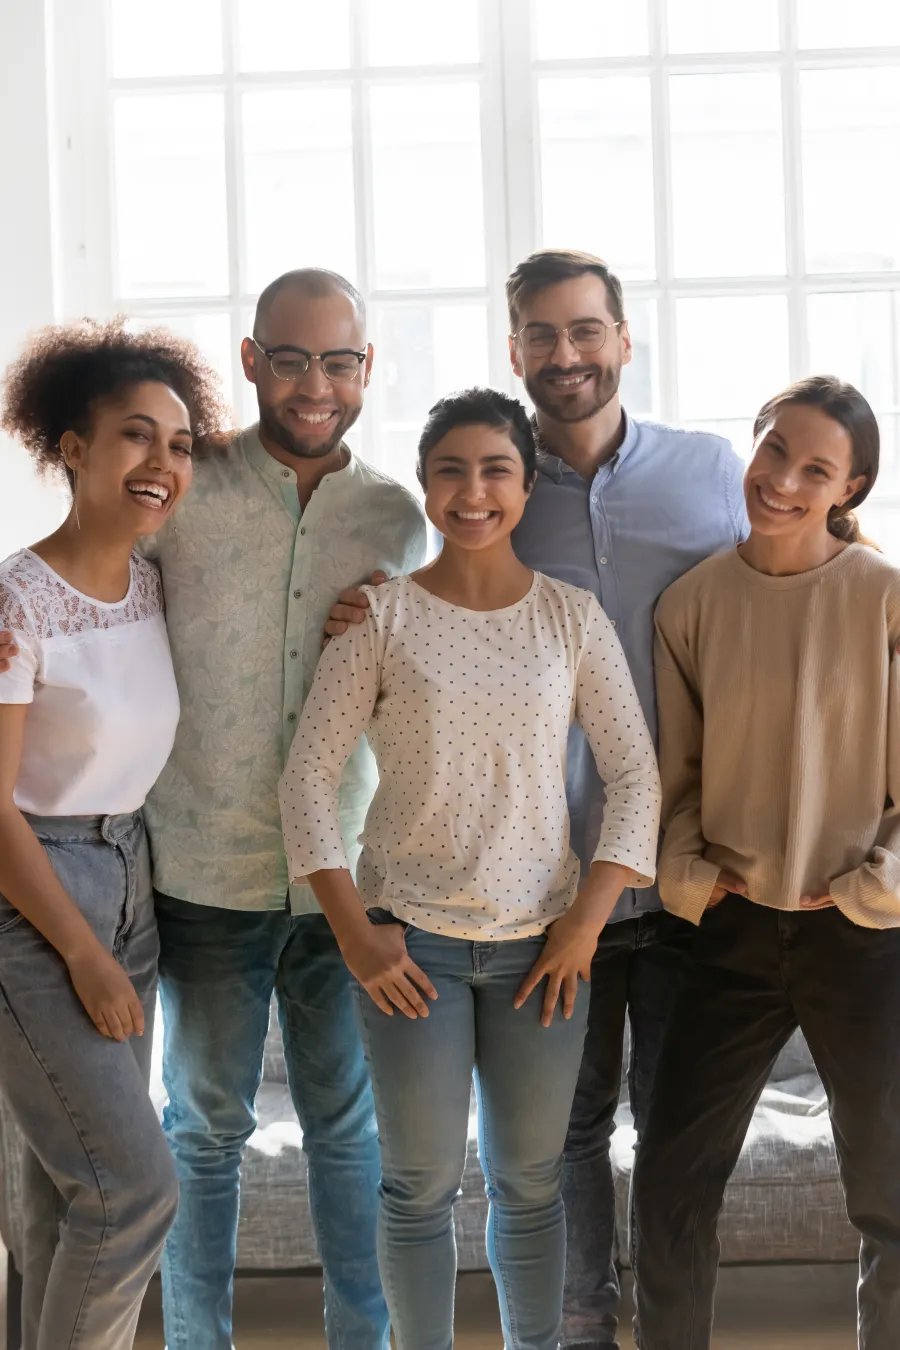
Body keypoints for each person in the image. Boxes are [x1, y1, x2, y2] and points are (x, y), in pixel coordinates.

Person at [324, 249, 748, 1349]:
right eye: (542, 336)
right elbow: (429, 621)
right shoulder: (493, 492)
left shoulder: (708, 471)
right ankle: (574, 1333)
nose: (567, 354)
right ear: (514, 350)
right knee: (553, 1145)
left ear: (622, 338)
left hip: (684, 864)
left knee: (667, 1137)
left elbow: (792, 561)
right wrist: (362, 607)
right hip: (517, 891)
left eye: (586, 331)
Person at [0, 269, 427, 1350]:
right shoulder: (180, 498)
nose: (314, 383)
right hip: (195, 872)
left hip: (338, 873)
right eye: (289, 358)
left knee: (345, 1130)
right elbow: (66, 577)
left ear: (366, 369)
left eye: (338, 360)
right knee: (196, 1137)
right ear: (252, 361)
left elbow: (443, 664)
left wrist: (392, 615)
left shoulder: (400, 518)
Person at [280, 386, 661, 1350]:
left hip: (546, 948)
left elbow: (637, 780)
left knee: (530, 1184)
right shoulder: (378, 616)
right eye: (450, 469)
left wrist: (584, 925)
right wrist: (355, 937)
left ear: (526, 487)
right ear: (425, 485)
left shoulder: (572, 620)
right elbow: (305, 784)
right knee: (418, 1186)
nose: (473, 490)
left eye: (495, 469)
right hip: (411, 950)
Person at [632, 376, 900, 1350]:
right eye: (773, 448)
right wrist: (695, 878)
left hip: (864, 938)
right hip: (732, 932)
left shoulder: (885, 600)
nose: (782, 478)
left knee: (890, 1192)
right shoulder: (692, 605)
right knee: (667, 1187)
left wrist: (872, 888)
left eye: (814, 467)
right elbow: (678, 778)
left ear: (850, 487)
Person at [0, 319, 227, 1349]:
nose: (162, 463)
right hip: (38, 897)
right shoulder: (18, 602)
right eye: (136, 436)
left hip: (133, 874)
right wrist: (83, 951)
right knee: (132, 1192)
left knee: (69, 1193)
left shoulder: (151, 580)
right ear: (73, 447)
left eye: (179, 444)